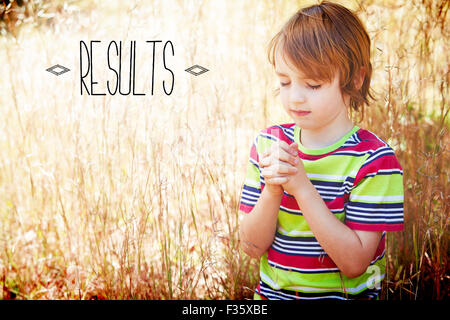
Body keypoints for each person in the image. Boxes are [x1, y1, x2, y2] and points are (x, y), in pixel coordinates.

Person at [238, 1, 404, 300]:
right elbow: (250, 247)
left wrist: (301, 188)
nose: (295, 97)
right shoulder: (268, 144)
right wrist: (273, 191)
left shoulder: (375, 161)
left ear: (355, 78)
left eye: (313, 84)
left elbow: (354, 263)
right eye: (285, 82)